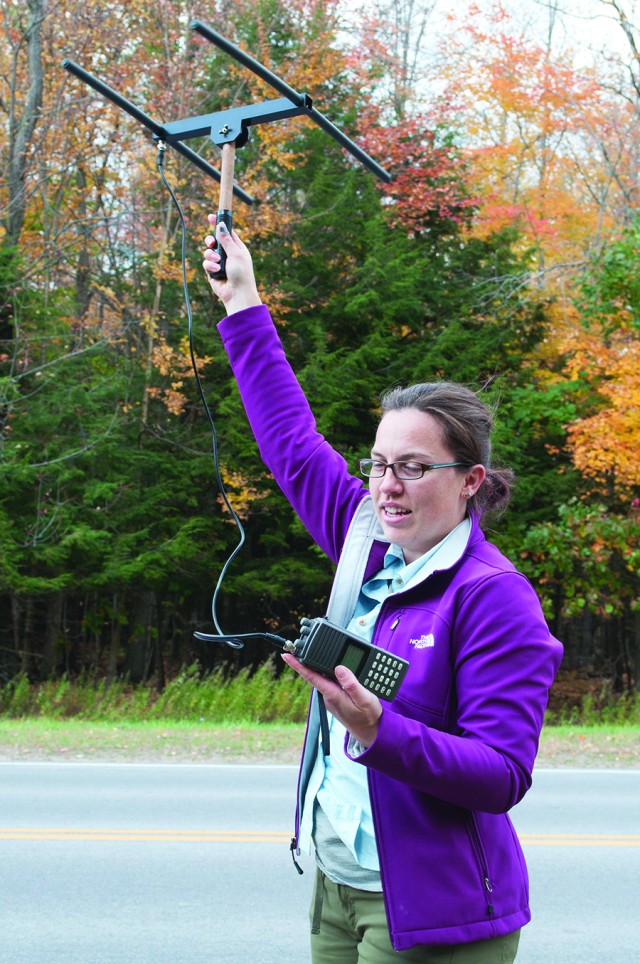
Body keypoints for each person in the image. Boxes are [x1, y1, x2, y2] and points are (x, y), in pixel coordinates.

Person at [202, 218, 563, 964]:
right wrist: (243, 306)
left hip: (434, 911)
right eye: (377, 464)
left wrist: (377, 729)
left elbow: (500, 775)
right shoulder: (366, 539)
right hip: (336, 885)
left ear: (469, 483)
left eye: (412, 468)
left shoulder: (493, 599)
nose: (387, 487)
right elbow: (292, 444)